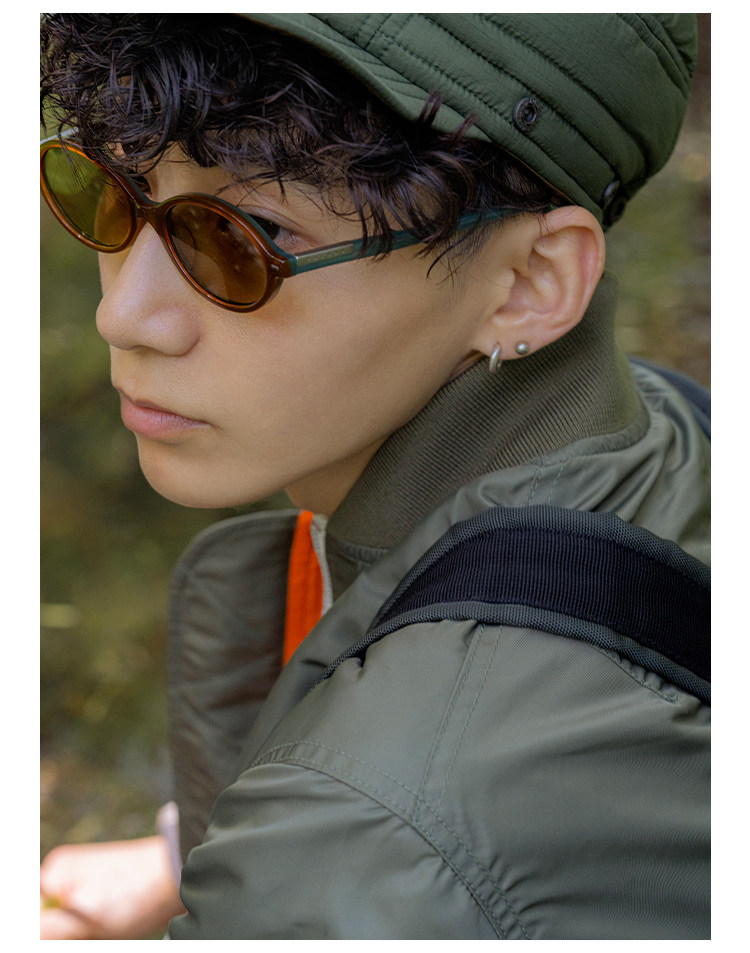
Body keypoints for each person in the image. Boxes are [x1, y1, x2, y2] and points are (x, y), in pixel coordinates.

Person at [39, 13, 710, 940]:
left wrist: (311, 858)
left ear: (530, 283)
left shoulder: (361, 843)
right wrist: (183, 854)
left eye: (245, 235)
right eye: (111, 192)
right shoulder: (668, 427)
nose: (124, 313)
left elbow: (397, 841)